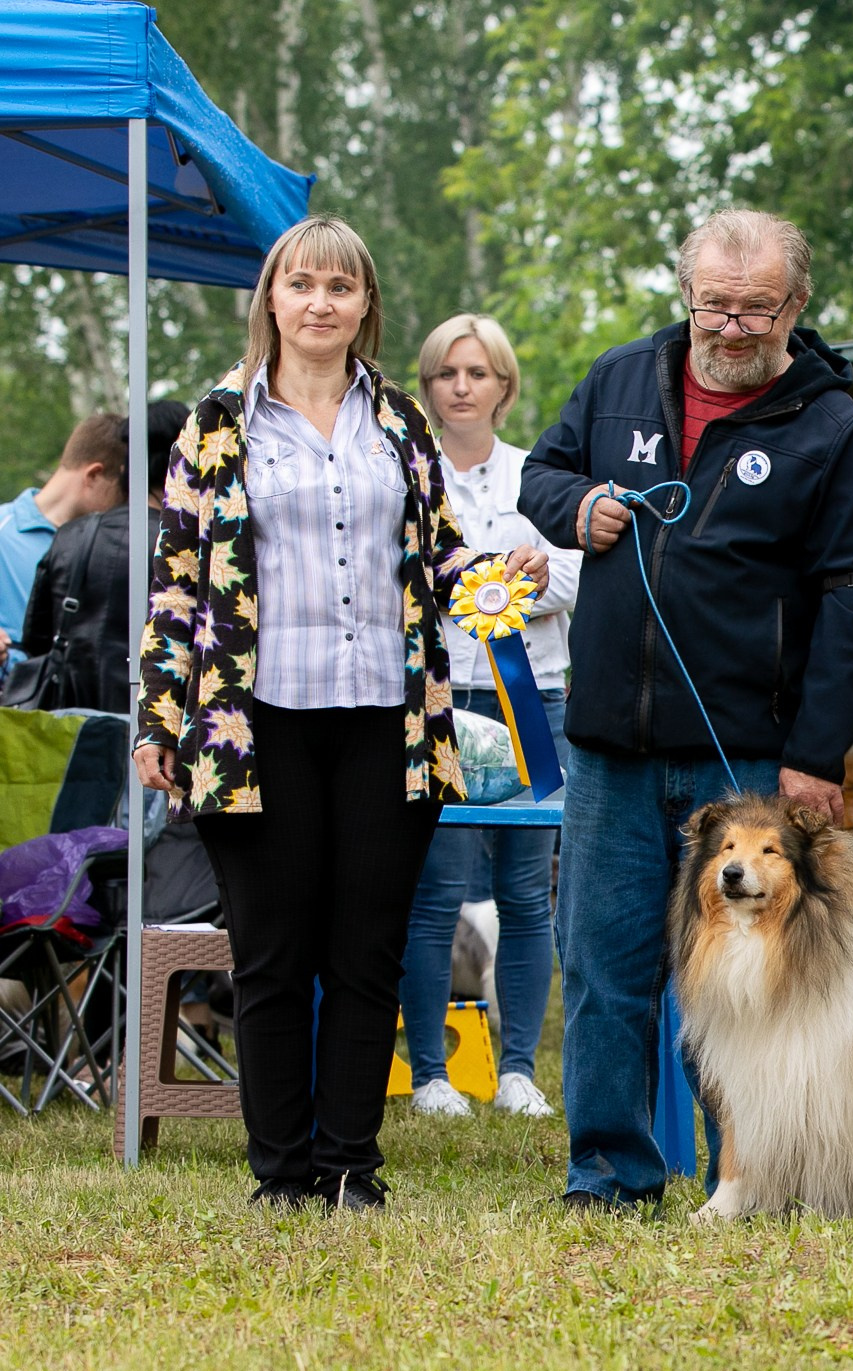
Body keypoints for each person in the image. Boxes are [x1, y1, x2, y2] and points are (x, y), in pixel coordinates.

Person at [134, 215, 549, 1212]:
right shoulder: (216, 424)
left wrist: (498, 577)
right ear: (270, 299)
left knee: (367, 951)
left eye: (341, 287)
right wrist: (158, 721)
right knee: (272, 957)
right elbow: (176, 584)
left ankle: (351, 1164)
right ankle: (280, 1173)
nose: (320, 302)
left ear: (365, 306)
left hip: (388, 726)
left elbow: (442, 557)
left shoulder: (401, 422)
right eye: (302, 284)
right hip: (251, 729)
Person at [518, 209, 853, 1213]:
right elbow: (539, 472)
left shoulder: (835, 428)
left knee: (753, 984)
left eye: (755, 309)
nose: (731, 329)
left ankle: (755, 1176)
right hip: (609, 744)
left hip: (747, 761)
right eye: (713, 305)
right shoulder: (619, 377)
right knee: (603, 971)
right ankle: (608, 1176)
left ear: (796, 305)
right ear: (686, 292)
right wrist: (576, 505)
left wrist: (816, 755)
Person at [398, 314, 580, 1118]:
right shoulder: (408, 476)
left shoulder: (537, 477)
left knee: (525, 892)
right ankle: (432, 1072)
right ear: (429, 387)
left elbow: (579, 580)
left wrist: (525, 585)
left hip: (532, 697)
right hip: (437, 705)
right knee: (435, 892)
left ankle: (516, 1072)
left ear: (505, 386)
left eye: (478, 373)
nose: (462, 386)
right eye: (446, 373)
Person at [9, 402, 185, 711]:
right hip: (154, 723)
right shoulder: (183, 544)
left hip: (71, 723)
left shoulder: (69, 536)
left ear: (124, 468)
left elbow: (35, 641)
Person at [1, 414, 128, 657]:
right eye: (122, 494)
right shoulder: (3, 529)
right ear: (93, 475)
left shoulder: (106, 548)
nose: (123, 507)